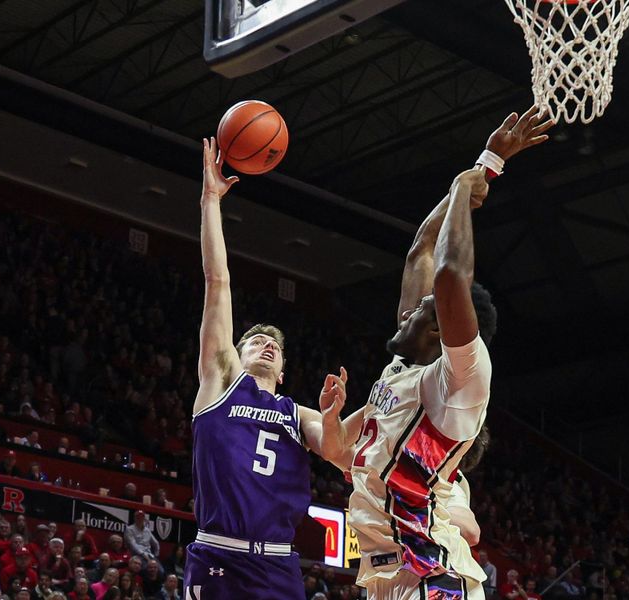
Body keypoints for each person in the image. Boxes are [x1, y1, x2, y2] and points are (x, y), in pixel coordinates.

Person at [323, 107, 553, 599]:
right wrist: (484, 164)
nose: (406, 312)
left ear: (439, 330)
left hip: (433, 576)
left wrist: (465, 186)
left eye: (421, 312)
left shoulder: (458, 381)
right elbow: (421, 252)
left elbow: (449, 273)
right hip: (386, 574)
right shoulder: (404, 363)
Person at [182, 138, 361, 600]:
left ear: (282, 372)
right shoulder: (219, 385)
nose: (265, 344)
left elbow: (341, 455)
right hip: (218, 554)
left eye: (274, 347)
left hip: (278, 563)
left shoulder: (296, 414)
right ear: (235, 357)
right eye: (255, 341)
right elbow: (217, 281)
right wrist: (210, 200)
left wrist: (335, 414)